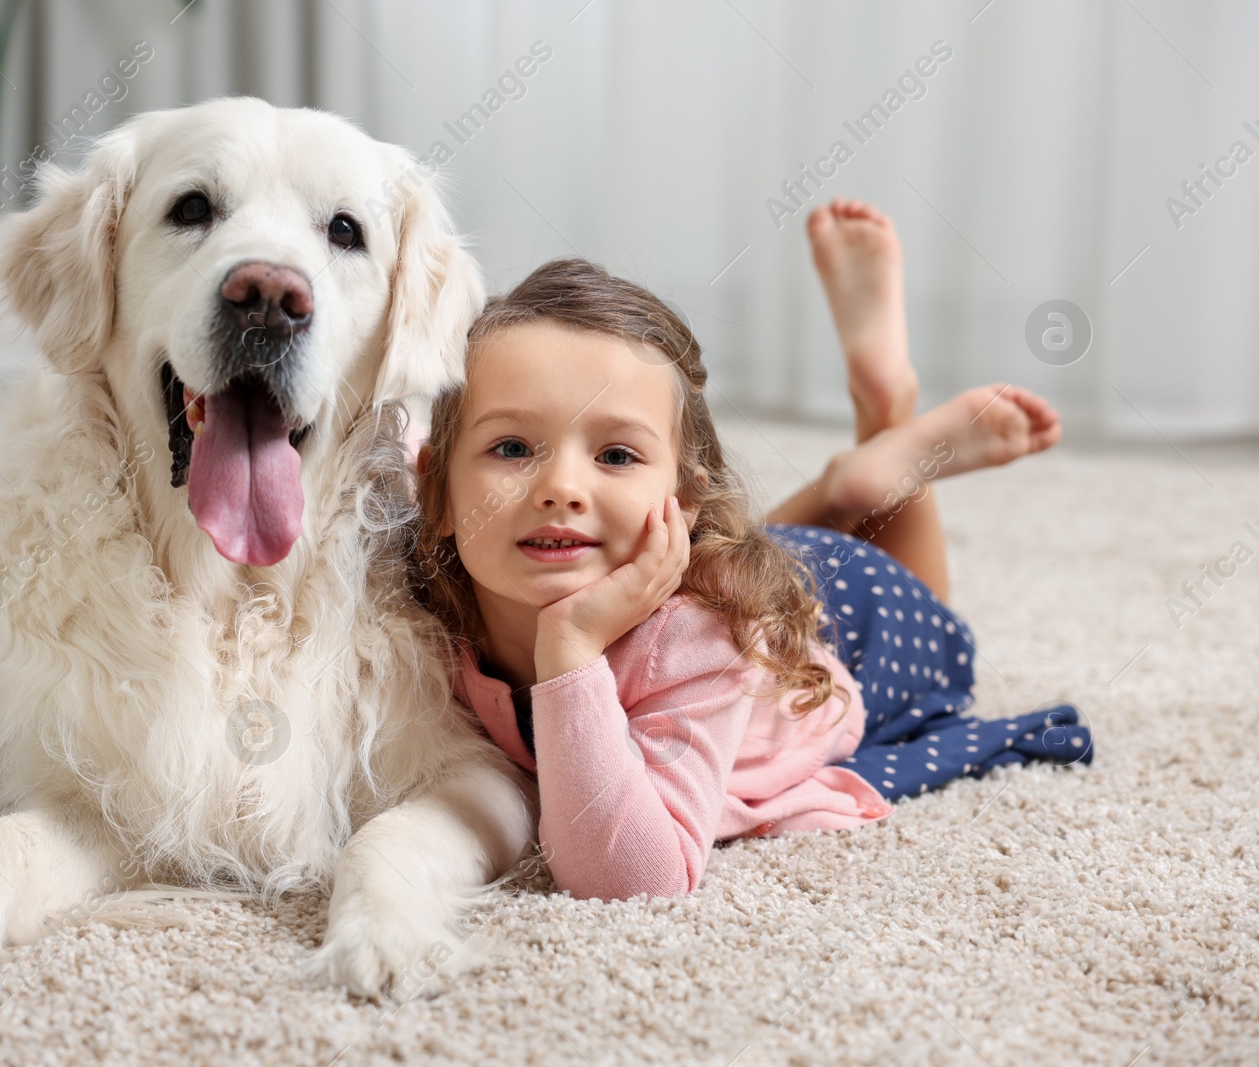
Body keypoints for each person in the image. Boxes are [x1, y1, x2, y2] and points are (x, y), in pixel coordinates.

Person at [408, 199, 1093, 902]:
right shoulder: (417, 594)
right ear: (432, 491)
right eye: (513, 447)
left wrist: (572, 648)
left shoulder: (702, 644)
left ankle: (888, 411)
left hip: (858, 624)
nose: (561, 487)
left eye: (615, 454)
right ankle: (847, 480)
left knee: (928, 613)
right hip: (745, 564)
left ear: (685, 498)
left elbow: (630, 880)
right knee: (759, 554)